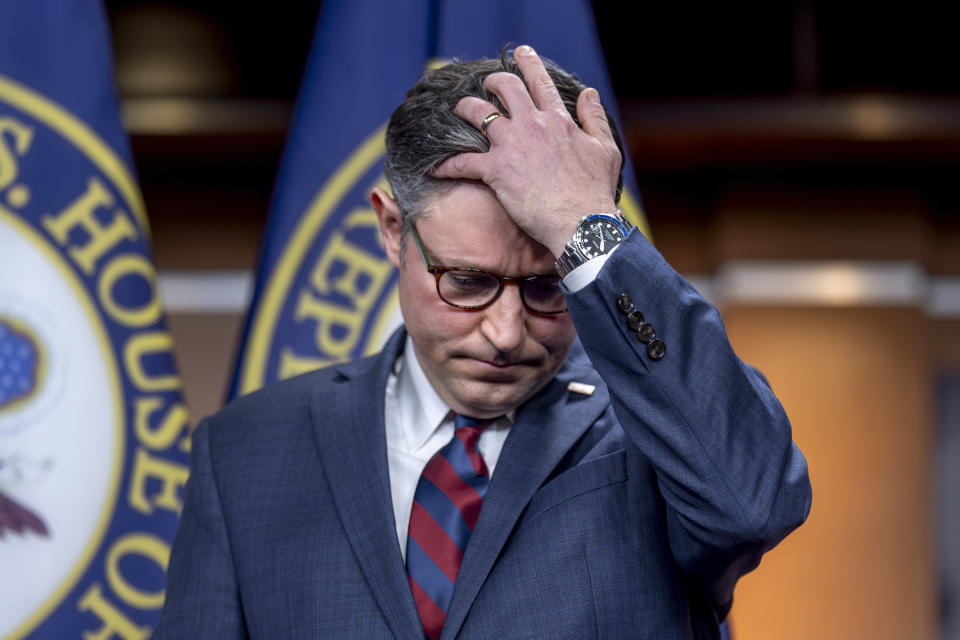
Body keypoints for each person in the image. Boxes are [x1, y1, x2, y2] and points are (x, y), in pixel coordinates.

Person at [154, 45, 811, 639]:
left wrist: (583, 224)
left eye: (548, 285)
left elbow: (752, 504)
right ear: (392, 229)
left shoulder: (654, 437)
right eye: (467, 281)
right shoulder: (243, 452)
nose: (505, 334)